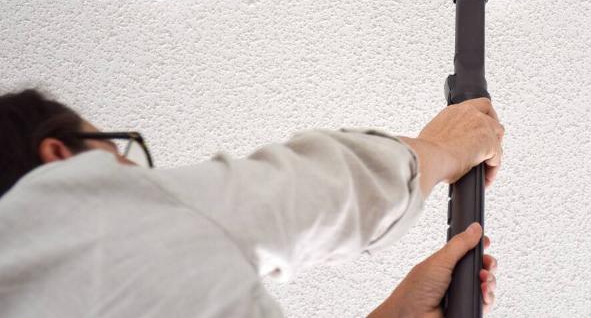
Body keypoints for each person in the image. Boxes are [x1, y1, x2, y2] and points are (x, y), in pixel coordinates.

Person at [0, 88, 505, 317]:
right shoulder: (74, 208)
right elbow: (323, 191)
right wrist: (447, 147)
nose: (136, 177)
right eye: (117, 153)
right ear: (60, 156)